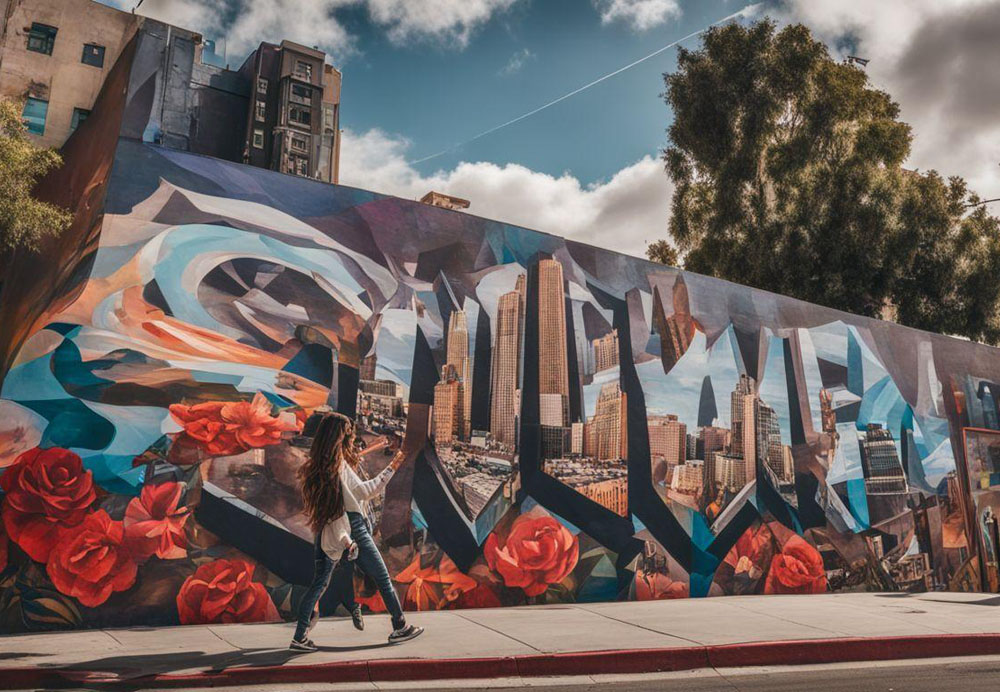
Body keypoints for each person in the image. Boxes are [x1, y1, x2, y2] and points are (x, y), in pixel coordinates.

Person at [291, 412, 422, 651]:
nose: (352, 439)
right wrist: (394, 465)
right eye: (348, 435)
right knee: (382, 578)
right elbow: (366, 491)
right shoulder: (338, 465)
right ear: (339, 437)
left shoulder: (322, 465)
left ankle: (299, 636)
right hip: (353, 528)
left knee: (318, 584)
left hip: (327, 528)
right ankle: (400, 625)